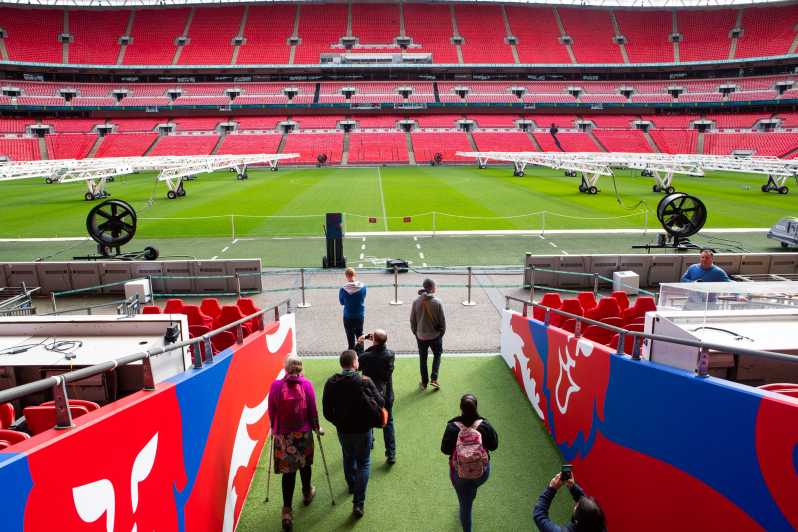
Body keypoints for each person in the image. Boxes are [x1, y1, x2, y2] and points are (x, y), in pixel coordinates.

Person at [322, 350, 384, 518]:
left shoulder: (331, 382)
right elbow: (381, 402)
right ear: (355, 363)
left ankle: (351, 485)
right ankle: (358, 503)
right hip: (363, 430)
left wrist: (338, 422)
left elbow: (327, 412)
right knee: (364, 463)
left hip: (344, 430)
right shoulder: (365, 381)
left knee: (348, 457)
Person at [267, 355, 320, 531]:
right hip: (303, 433)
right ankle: (306, 493)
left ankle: (287, 511)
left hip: (284, 435)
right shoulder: (307, 385)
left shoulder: (275, 385)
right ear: (300, 368)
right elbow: (312, 410)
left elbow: (272, 410)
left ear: (286, 368)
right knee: (305, 465)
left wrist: (274, 428)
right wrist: (317, 427)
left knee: (288, 473)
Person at [441, 394, 499, 532]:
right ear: (476, 407)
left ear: (460, 408)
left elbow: (444, 449)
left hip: (460, 475)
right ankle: (470, 492)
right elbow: (494, 445)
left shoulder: (452, 427)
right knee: (472, 488)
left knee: (465, 506)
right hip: (482, 473)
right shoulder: (484, 425)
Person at [357, 329, 396, 464]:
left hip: (370, 394)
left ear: (374, 340)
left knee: (368, 419)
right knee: (388, 422)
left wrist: (360, 343)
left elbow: (357, 363)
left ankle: (370, 443)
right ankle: (391, 454)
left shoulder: (366, 356)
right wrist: (374, 342)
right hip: (386, 394)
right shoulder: (390, 355)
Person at [533, 472, 606, 532]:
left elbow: (539, 515)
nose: (576, 504)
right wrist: (572, 487)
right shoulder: (600, 527)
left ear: (577, 521)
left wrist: (552, 488)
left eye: (577, 506)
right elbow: (588, 509)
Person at [410, 278, 446, 390]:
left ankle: (424, 383)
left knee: (423, 359)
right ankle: (434, 379)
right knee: (437, 355)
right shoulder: (437, 302)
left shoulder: (416, 302)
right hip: (435, 335)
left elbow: (412, 320)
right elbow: (442, 321)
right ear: (432, 288)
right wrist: (441, 334)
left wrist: (415, 332)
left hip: (421, 336)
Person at [339, 267, 367, 352]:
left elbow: (342, 302)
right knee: (360, 334)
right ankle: (361, 354)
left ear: (346, 276)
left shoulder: (343, 289)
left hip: (348, 316)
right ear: (355, 274)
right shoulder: (363, 287)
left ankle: (351, 356)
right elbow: (363, 297)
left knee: (350, 337)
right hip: (359, 315)